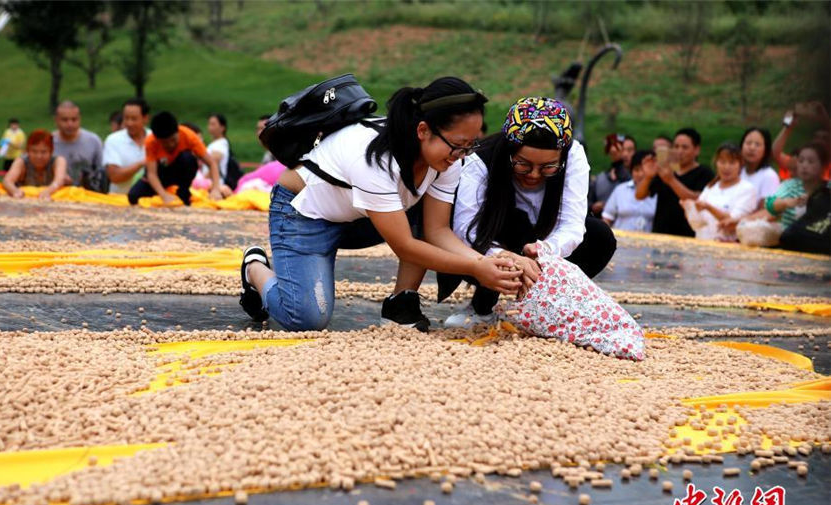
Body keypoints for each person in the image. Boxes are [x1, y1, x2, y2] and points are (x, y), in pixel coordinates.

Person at [239, 76, 522, 332]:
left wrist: (484, 261)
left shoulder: (447, 160)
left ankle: (401, 305)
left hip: (359, 217)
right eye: (459, 144)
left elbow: (436, 230)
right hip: (304, 215)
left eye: (471, 145)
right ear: (423, 130)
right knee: (305, 319)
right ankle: (254, 268)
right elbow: (405, 245)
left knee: (422, 214)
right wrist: (475, 269)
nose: (462, 155)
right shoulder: (376, 160)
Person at [442, 97, 616, 328]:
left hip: (542, 239)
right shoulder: (480, 161)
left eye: (548, 167)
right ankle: (482, 306)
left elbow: (572, 224)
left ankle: (546, 305)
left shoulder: (573, 155)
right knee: (509, 225)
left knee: (599, 236)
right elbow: (466, 229)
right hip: (494, 237)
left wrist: (543, 251)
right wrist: (508, 258)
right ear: (509, 152)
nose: (534, 175)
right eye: (523, 164)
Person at [128, 111, 223, 206]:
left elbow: (212, 163)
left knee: (188, 158)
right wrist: (163, 195)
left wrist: (215, 189)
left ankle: (183, 192)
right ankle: (161, 191)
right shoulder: (151, 142)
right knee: (133, 196)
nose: (170, 145)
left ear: (177, 131)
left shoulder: (189, 136)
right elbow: (152, 174)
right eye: (165, 143)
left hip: (179, 172)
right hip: (160, 173)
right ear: (157, 139)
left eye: (173, 140)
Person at [635, 127, 715, 237]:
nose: (679, 151)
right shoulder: (666, 169)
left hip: (689, 236)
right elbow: (639, 195)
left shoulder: (704, 173)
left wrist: (671, 181)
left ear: (697, 150)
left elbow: (698, 199)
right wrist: (648, 177)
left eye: (685, 147)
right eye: (676, 146)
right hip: (660, 234)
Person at [687, 143, 758, 242]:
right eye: (722, 162)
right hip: (702, 244)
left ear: (740, 164)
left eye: (732, 163)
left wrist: (709, 208)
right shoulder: (710, 187)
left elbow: (732, 223)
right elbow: (697, 223)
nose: (726, 167)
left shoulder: (747, 189)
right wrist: (689, 209)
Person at [52, 101, 105, 192]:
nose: (70, 124)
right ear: (56, 120)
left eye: (74, 119)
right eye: (65, 120)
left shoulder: (93, 141)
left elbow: (102, 172)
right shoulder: (48, 142)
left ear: (79, 119)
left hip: (87, 196)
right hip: (55, 194)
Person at [772, 102, 831, 181]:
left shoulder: (826, 165)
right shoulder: (799, 161)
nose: (820, 140)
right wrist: (788, 127)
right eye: (817, 137)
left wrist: (825, 118)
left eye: (824, 138)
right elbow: (775, 152)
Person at [1, 129, 67, 199]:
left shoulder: (58, 161)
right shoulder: (21, 161)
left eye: (43, 152)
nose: (39, 156)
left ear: (51, 152)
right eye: (34, 151)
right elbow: (7, 181)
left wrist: (48, 191)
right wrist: (15, 191)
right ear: (28, 151)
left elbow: (59, 181)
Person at [602, 150, 658, 232]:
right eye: (636, 170)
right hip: (620, 242)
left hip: (651, 243)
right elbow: (607, 218)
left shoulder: (659, 192)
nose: (640, 174)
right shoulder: (620, 190)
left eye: (644, 170)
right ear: (631, 171)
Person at [103, 98, 149, 195]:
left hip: (150, 200)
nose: (129, 123)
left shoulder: (155, 138)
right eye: (126, 118)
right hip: (119, 200)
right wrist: (142, 163)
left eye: (134, 119)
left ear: (145, 118)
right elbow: (115, 176)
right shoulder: (113, 140)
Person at [588, 133, 633, 217]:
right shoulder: (600, 178)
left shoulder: (636, 180)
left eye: (629, 150)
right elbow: (588, 202)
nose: (625, 154)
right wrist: (593, 207)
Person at [739, 127, 779, 200]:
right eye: (748, 143)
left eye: (757, 145)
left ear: (765, 150)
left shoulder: (769, 176)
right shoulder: (737, 171)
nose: (752, 148)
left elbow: (766, 209)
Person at [200, 113, 233, 197]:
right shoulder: (215, 143)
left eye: (213, 124)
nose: (210, 127)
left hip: (213, 184)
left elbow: (214, 163)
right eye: (209, 124)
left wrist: (203, 181)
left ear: (222, 127)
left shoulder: (220, 144)